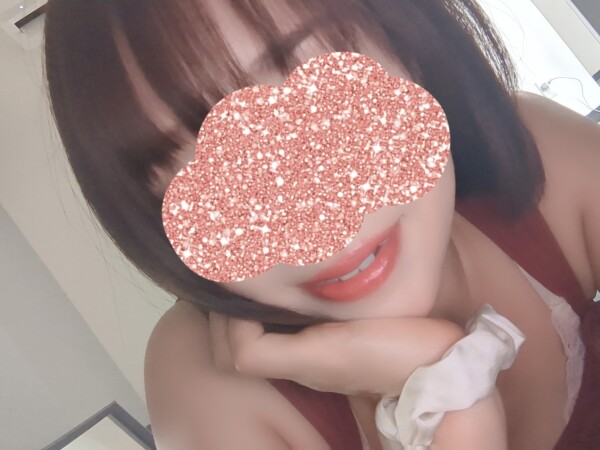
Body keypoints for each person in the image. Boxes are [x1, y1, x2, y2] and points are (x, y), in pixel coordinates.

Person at [43, 0, 600, 449]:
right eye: (189, 164)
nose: (314, 222)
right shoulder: (205, 387)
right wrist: (453, 405)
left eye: (317, 90)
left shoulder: (536, 156)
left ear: (404, 42)